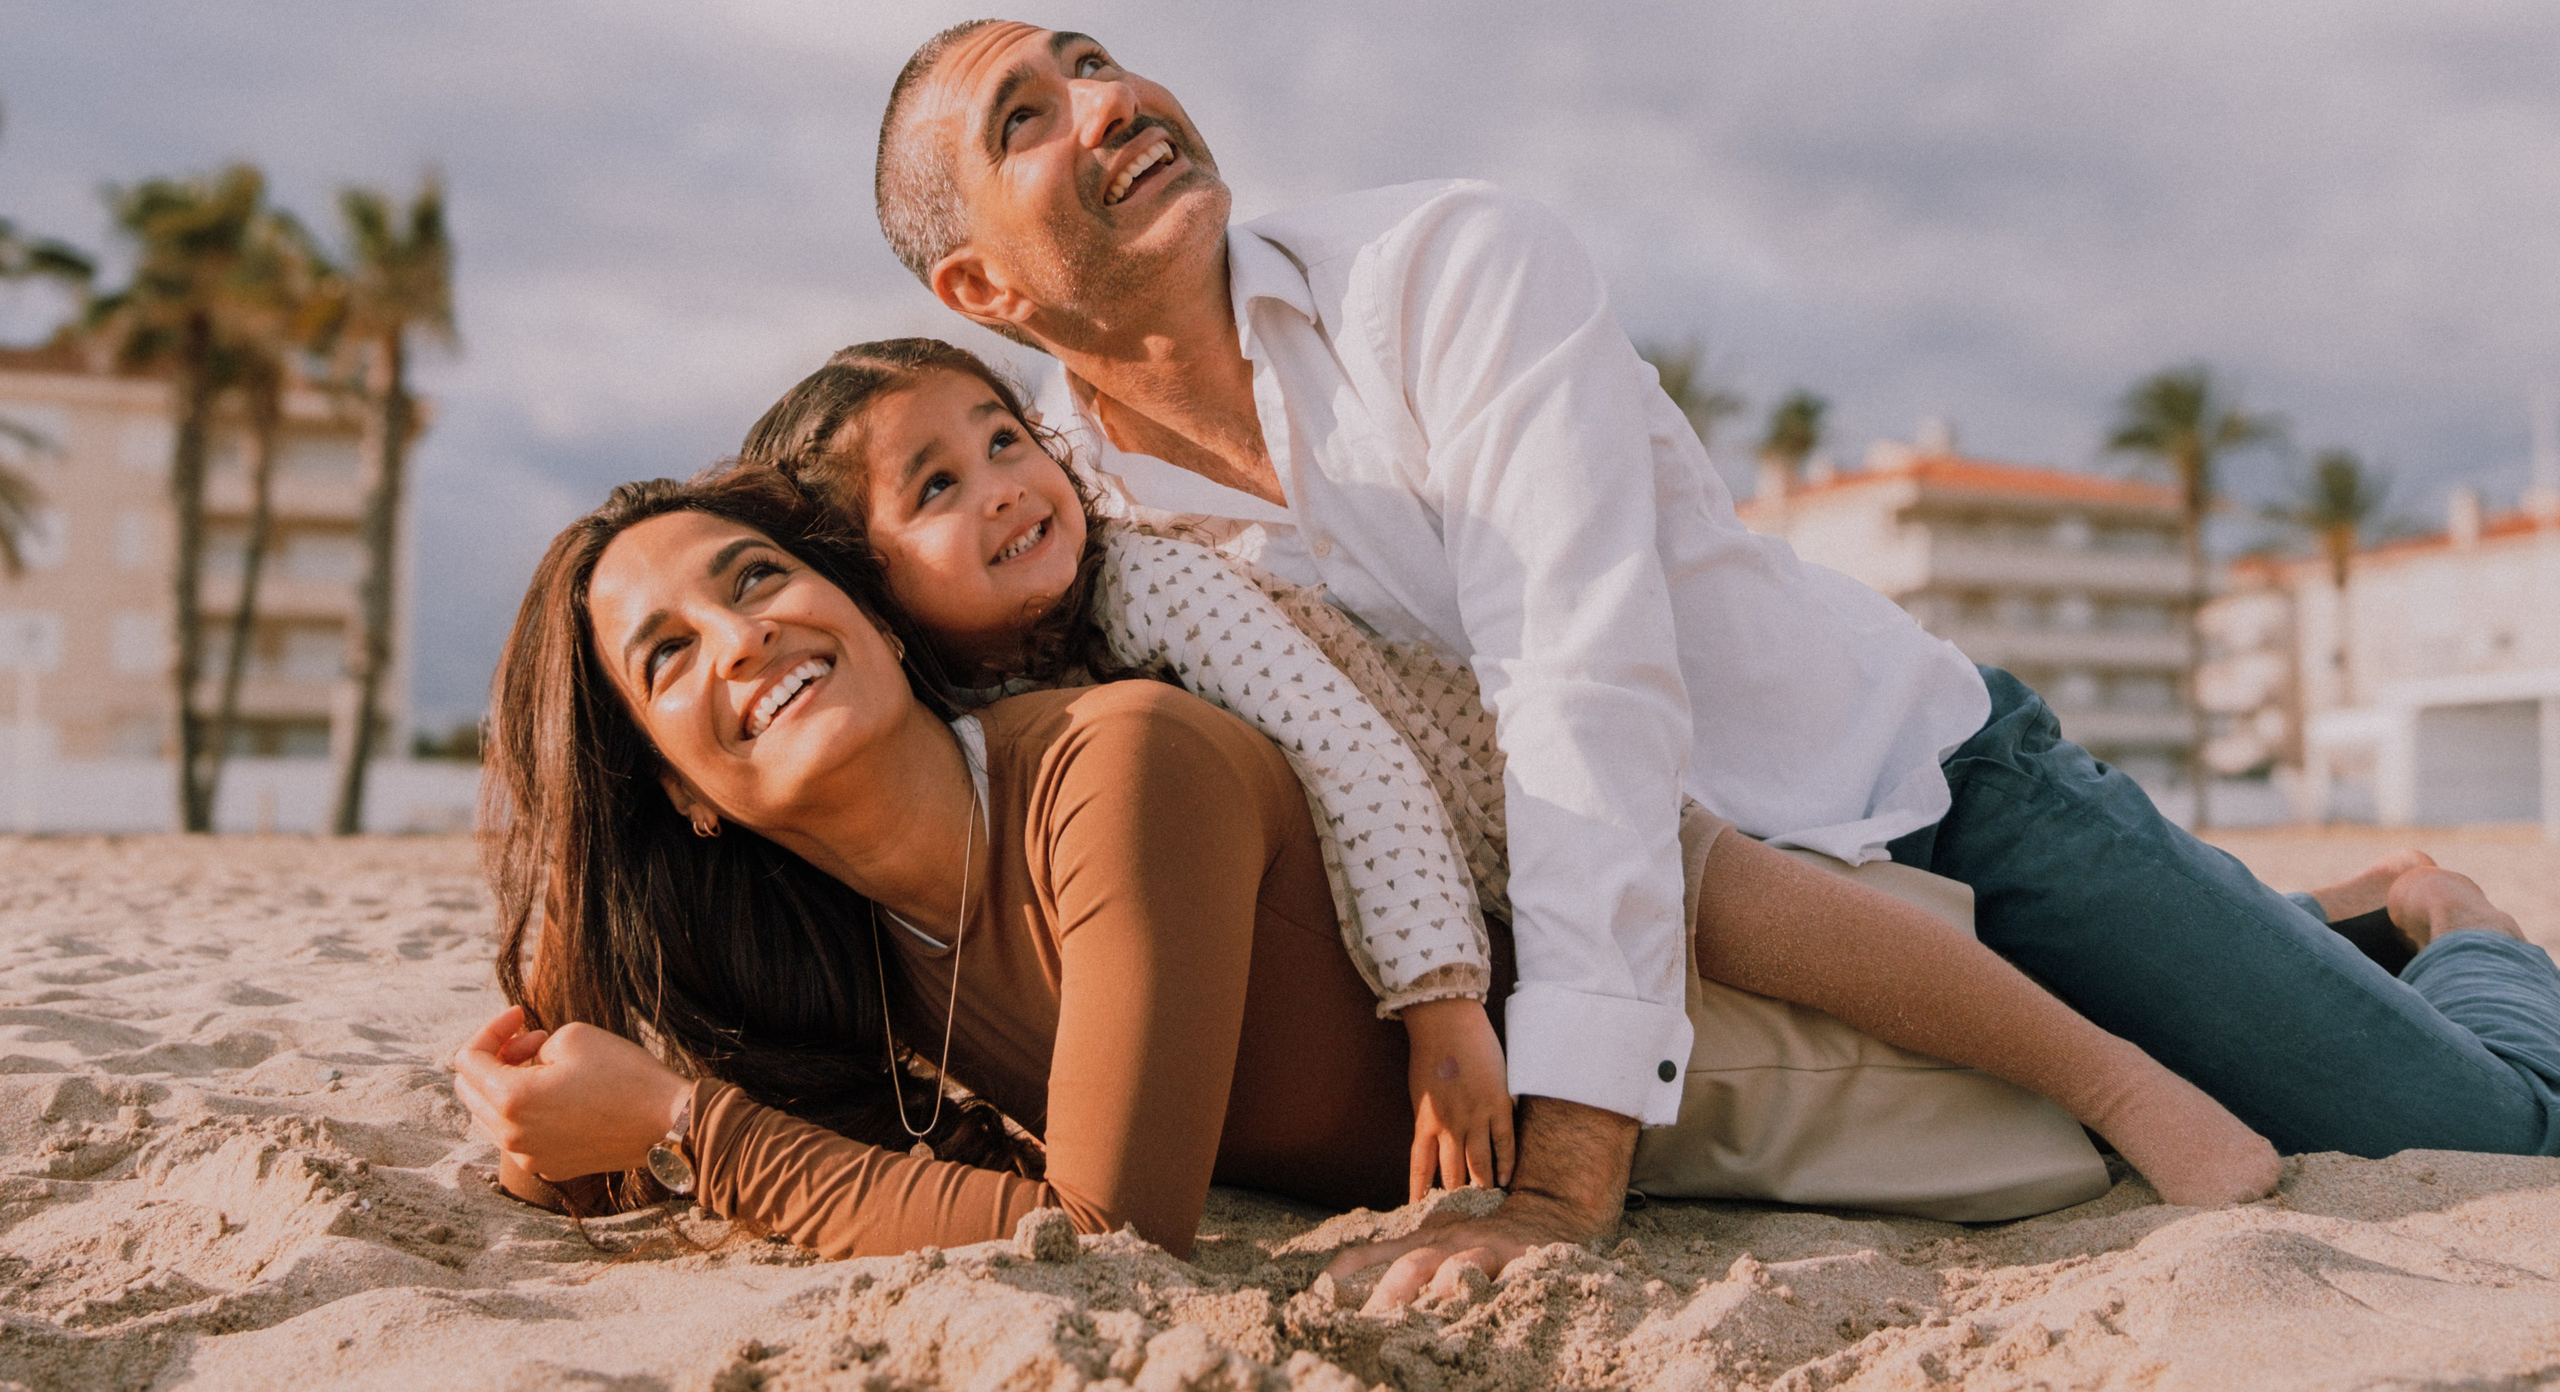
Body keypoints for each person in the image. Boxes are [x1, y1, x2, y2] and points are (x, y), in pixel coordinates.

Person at [872, 17, 2560, 1303]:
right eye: (1028, 118)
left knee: (2478, 1132)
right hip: (1723, 934)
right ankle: (2312, 924)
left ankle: (2437, 919)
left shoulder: (1446, 270)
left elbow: (1576, 684)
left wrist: (1570, 1166)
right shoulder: (1070, 512)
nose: (1107, 103)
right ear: (978, 281)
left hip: (1913, 795)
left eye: (1094, 63)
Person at [453, 465, 2275, 1265]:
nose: (738, 636)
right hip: (1711, 1115)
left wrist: (692, 1133)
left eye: (754, 577)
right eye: (665, 653)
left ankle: (2448, 926)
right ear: (673, 787)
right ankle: (2366, 917)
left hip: (1740, 1062)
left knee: (2360, 1092)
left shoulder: (1117, 763)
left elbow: (1100, 1236)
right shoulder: (847, 942)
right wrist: (568, 1108)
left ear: (853, 598)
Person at [736, 334, 2288, 1213]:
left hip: (1507, 800)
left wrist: (1434, 1000)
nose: (1007, 487)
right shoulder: (987, 709)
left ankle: (2124, 1084)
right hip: (1458, 888)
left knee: (1761, 917)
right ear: (867, 584)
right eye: (937, 486)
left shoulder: (1152, 592)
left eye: (1002, 437)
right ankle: (2334, 913)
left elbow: (1349, 756)